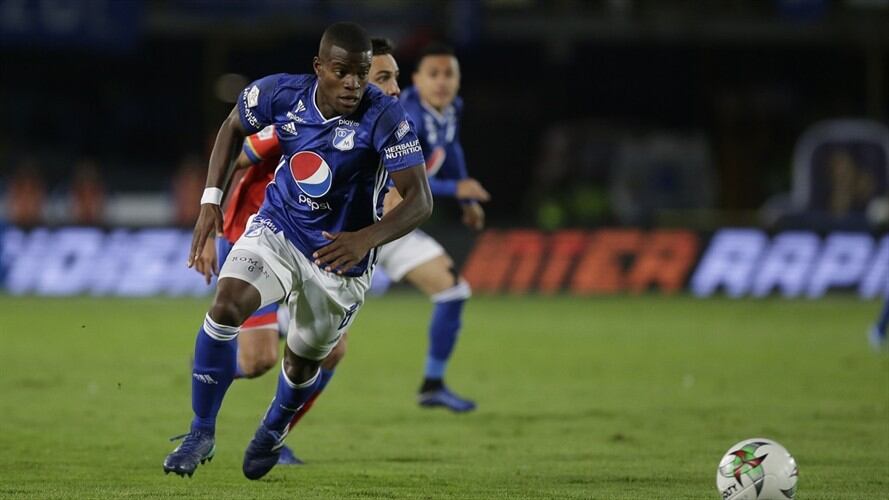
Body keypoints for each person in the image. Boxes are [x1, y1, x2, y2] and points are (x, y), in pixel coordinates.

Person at [163, 22, 432, 480]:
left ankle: (272, 430)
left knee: (304, 360)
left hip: (338, 259)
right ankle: (200, 431)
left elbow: (421, 199)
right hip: (278, 229)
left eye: (362, 73)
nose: (353, 83)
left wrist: (363, 239)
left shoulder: (385, 117)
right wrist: (211, 203)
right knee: (227, 304)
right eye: (342, 71)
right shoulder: (281, 95)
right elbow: (232, 128)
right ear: (319, 68)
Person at [377, 42, 490, 411]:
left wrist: (466, 197)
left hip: (395, 226)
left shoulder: (451, 109)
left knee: (452, 290)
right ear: (416, 80)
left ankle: (432, 384)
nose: (442, 82)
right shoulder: (405, 114)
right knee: (319, 338)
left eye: (449, 74)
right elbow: (405, 180)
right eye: (433, 74)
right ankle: (236, 353)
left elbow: (451, 149)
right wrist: (455, 188)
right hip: (361, 226)